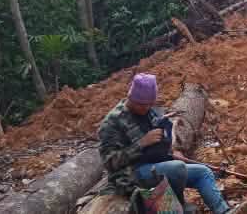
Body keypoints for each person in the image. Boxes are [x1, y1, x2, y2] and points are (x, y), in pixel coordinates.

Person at [98, 73, 231, 214]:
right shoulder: (113, 122)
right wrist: (141, 143)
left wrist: (171, 151)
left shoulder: (149, 112)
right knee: (178, 168)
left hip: (156, 165)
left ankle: (223, 211)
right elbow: (110, 163)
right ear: (132, 98)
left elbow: (159, 139)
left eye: (150, 104)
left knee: (203, 172)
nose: (147, 108)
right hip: (131, 174)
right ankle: (179, 205)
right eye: (142, 104)